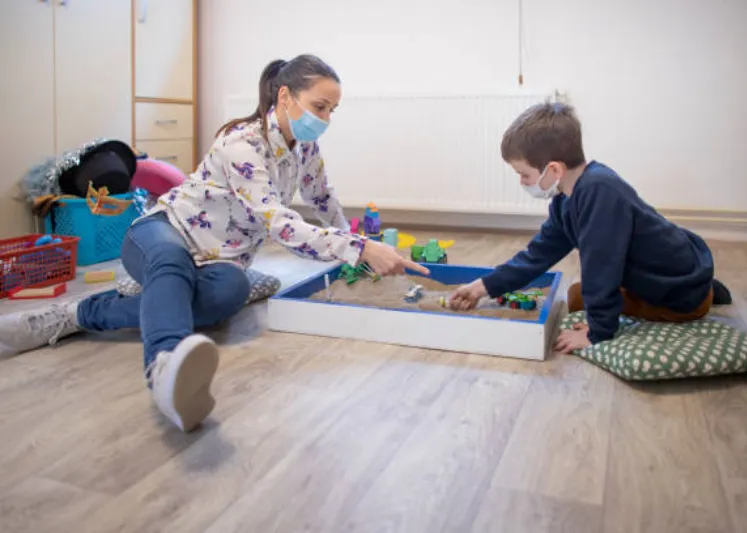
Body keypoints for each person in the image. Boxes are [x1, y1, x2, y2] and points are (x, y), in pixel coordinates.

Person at [0, 54, 428, 432]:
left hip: (218, 259)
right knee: (170, 262)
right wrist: (359, 250)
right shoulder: (242, 144)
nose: (326, 118)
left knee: (229, 292)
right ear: (284, 97)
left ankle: (135, 300)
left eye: (333, 110)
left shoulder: (306, 147)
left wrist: (357, 242)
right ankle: (161, 365)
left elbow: (322, 199)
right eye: (320, 106)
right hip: (161, 231)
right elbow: (279, 223)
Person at [448, 101, 732, 353]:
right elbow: (537, 255)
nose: (522, 182)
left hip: (679, 294)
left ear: (554, 170)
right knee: (581, 294)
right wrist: (481, 287)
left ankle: (700, 297)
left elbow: (601, 266)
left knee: (578, 297)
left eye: (524, 174)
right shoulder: (565, 199)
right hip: (671, 265)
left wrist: (597, 334)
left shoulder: (599, 192)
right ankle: (703, 290)